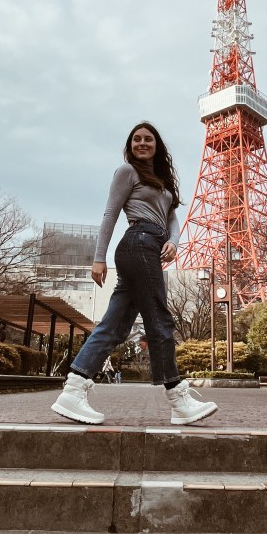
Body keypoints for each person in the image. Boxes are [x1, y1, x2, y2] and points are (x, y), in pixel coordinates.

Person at [52, 122, 217, 426]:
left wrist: (174, 242)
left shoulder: (161, 182)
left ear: (157, 145)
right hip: (137, 243)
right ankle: (177, 398)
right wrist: (98, 258)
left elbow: (173, 222)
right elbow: (110, 213)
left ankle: (73, 390)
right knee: (159, 319)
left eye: (148, 139)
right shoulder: (127, 172)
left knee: (115, 325)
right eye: (136, 139)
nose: (142, 143)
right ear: (130, 146)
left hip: (150, 246)